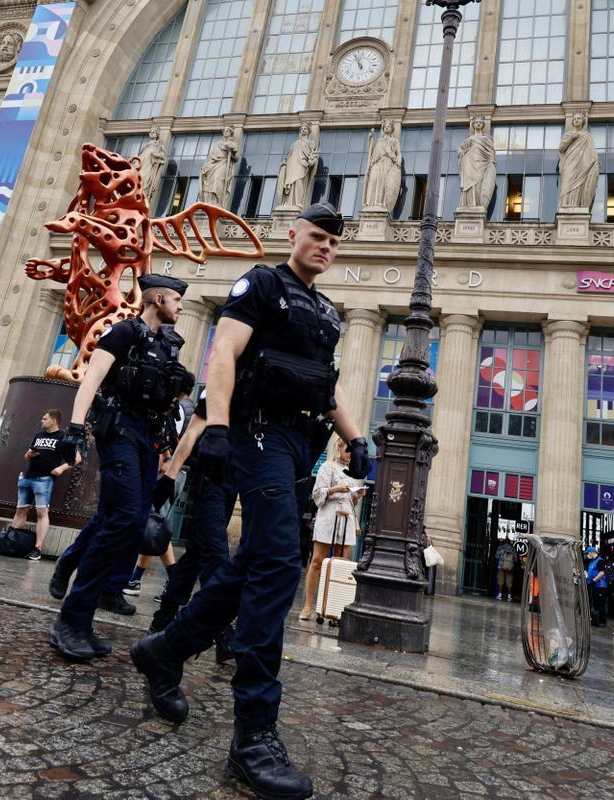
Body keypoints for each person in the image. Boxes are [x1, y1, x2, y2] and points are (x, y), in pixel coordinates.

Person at [131, 202, 369, 800]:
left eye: (333, 243)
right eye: (316, 237)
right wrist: (215, 423)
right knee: (280, 562)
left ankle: (166, 650)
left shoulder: (325, 311)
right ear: (294, 234)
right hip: (257, 432)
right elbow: (225, 352)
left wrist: (356, 436)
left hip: (299, 442)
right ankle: (253, 736)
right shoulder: (262, 283)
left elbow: (328, 384)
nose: (325, 248)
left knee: (251, 561)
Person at [46, 273, 192, 659]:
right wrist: (75, 429)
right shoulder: (123, 333)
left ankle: (83, 611)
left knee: (124, 521)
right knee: (126, 520)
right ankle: (71, 620)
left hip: (147, 438)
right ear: (157, 298)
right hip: (119, 431)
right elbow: (91, 381)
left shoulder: (167, 345)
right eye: (176, 299)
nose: (180, 306)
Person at [149, 396, 239, 665]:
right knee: (216, 555)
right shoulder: (217, 390)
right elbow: (191, 434)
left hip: (232, 483)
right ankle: (222, 630)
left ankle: (164, 614)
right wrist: (170, 476)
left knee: (198, 553)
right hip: (209, 479)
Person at [299, 439, 366, 621]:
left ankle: (334, 608)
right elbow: (317, 494)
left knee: (341, 565)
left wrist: (357, 496)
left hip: (347, 518)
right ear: (339, 449)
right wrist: (336, 489)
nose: (351, 454)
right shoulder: (327, 467)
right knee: (317, 562)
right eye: (348, 451)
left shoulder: (354, 472)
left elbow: (351, 501)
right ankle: (307, 606)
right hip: (329, 515)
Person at [9, 409, 79, 561]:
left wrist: (61, 468)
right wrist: (30, 454)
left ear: (54, 420)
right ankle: (12, 542)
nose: (42, 421)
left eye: (45, 419)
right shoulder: (38, 435)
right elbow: (26, 454)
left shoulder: (64, 437)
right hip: (27, 477)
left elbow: (77, 458)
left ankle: (37, 548)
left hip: (44, 479)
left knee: (42, 513)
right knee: (20, 511)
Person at [585, 546, 609, 627]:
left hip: (600, 586)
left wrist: (594, 580)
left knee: (600, 604)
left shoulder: (600, 561)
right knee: (595, 604)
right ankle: (596, 620)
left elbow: (602, 573)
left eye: (587, 553)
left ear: (591, 552)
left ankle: (602, 621)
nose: (587, 555)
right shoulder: (592, 562)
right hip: (593, 586)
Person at [494, 538, 517, 602]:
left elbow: (496, 556)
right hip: (509, 568)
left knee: (500, 582)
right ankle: (509, 597)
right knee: (509, 583)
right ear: (510, 543)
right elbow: (515, 559)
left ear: (504, 542)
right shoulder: (513, 549)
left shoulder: (500, 547)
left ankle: (500, 595)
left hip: (501, 567)